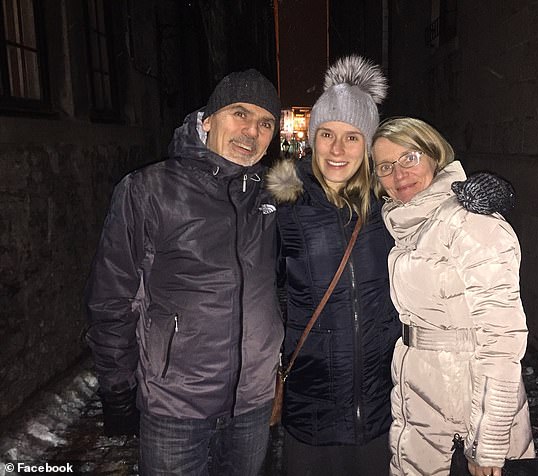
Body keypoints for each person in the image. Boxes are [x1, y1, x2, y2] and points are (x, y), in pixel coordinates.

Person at [266, 56, 514, 476]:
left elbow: (439, 201)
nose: (338, 149)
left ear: (367, 146)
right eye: (326, 134)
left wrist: (492, 194)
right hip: (311, 412)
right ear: (311, 139)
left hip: (384, 408)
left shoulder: (392, 209)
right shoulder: (284, 206)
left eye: (352, 137)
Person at [84, 69, 284, 476]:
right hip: (175, 405)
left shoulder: (273, 193)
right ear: (207, 120)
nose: (251, 131)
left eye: (265, 123)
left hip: (252, 404)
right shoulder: (148, 190)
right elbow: (112, 297)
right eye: (239, 114)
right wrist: (117, 388)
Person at [371, 117, 535, 476]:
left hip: (465, 419)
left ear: (434, 155)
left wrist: (487, 442)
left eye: (410, 157)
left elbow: (502, 339)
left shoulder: (468, 222)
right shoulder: (405, 222)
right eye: (386, 166)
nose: (399, 174)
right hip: (418, 409)